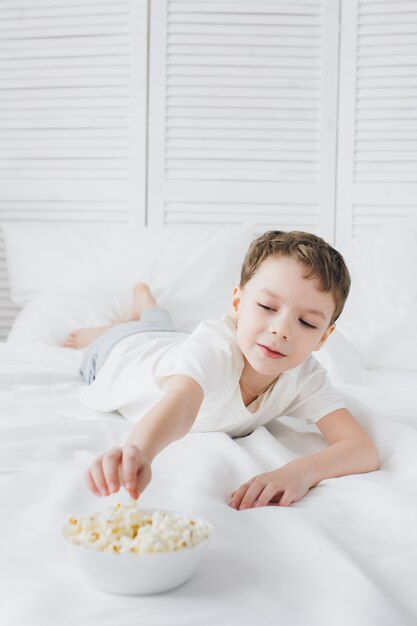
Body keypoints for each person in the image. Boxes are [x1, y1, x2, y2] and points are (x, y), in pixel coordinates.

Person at [73, 230, 379, 510]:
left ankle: (145, 309)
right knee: (142, 327)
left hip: (172, 342)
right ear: (237, 303)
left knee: (162, 325)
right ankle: (135, 308)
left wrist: (299, 472)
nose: (281, 330)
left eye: (307, 323)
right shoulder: (214, 350)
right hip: (122, 349)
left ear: (323, 336)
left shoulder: (304, 375)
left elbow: (361, 449)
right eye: (267, 307)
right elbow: (181, 405)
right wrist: (140, 451)